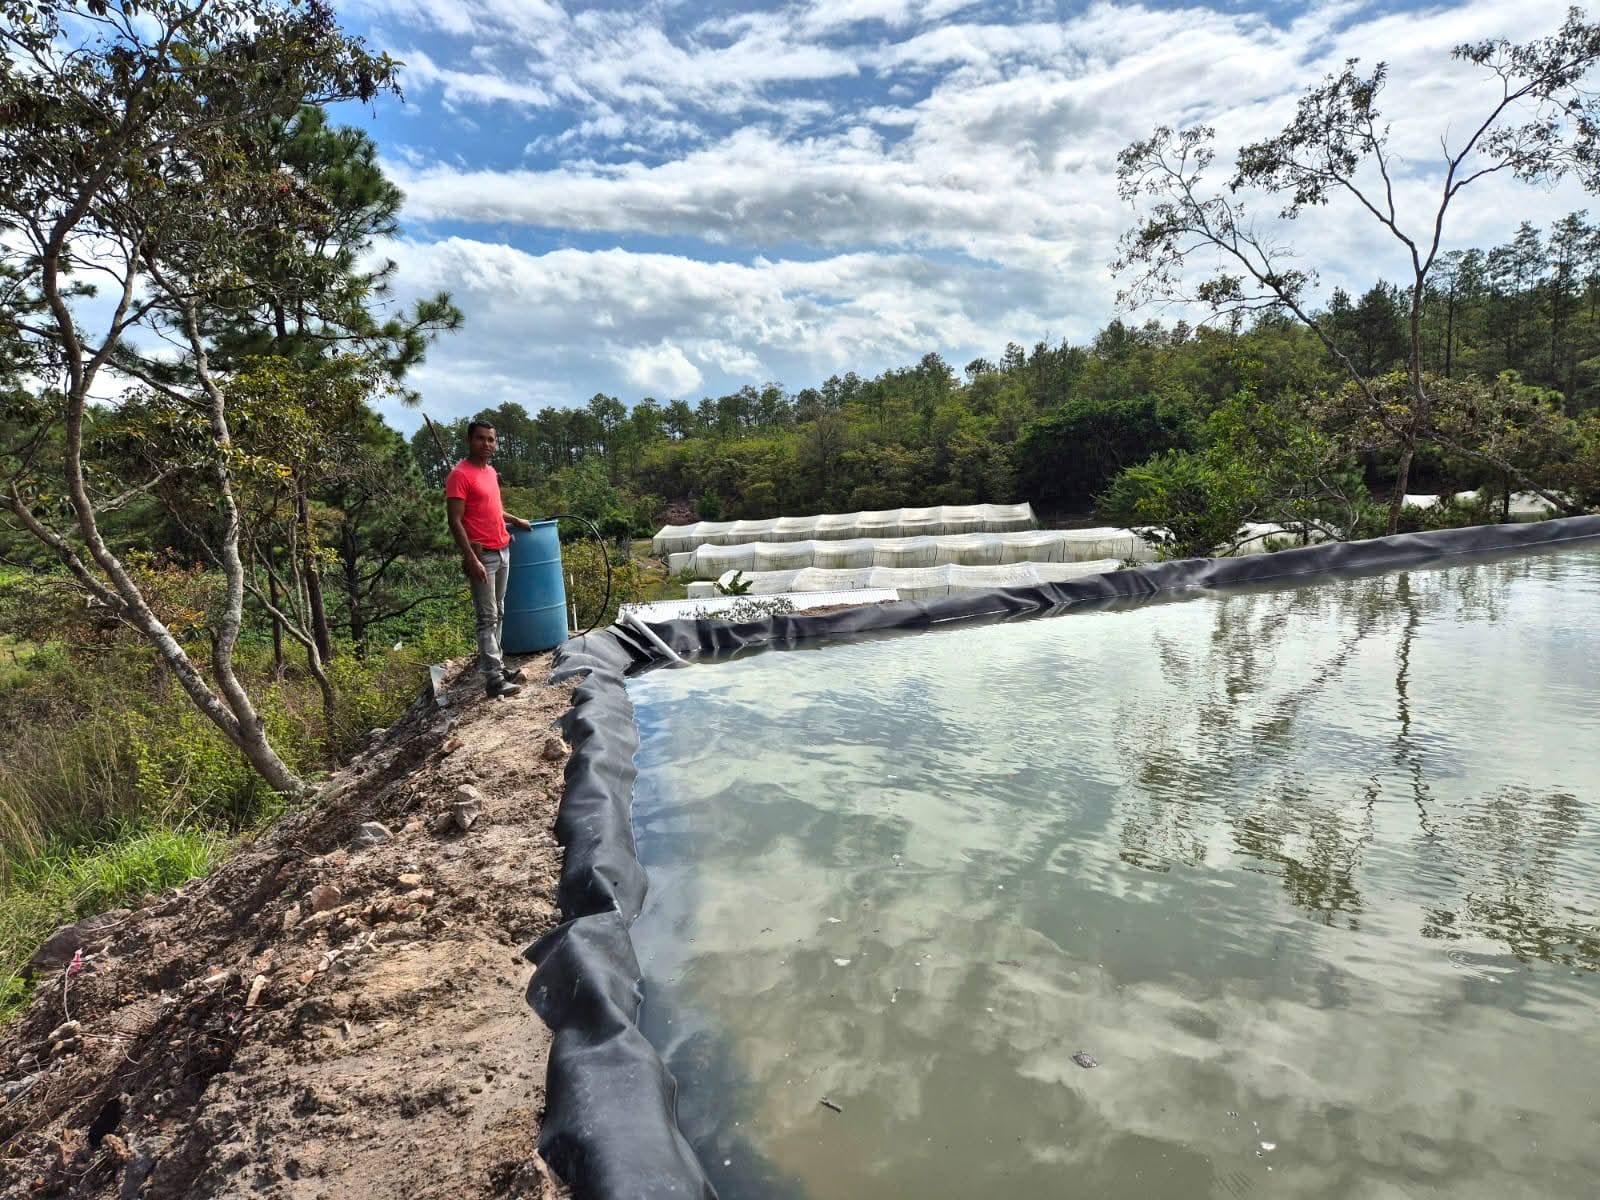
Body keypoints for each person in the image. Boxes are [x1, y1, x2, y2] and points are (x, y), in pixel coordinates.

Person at [445, 420, 533, 698]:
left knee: (500, 611)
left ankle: (498, 666)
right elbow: (455, 521)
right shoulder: (460, 475)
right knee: (487, 617)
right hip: (482, 555)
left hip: (502, 548)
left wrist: (514, 520)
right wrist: (470, 558)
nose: (487, 444)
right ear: (470, 440)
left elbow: (493, 509)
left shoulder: (490, 472)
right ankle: (494, 680)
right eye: (481, 439)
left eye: (491, 440)